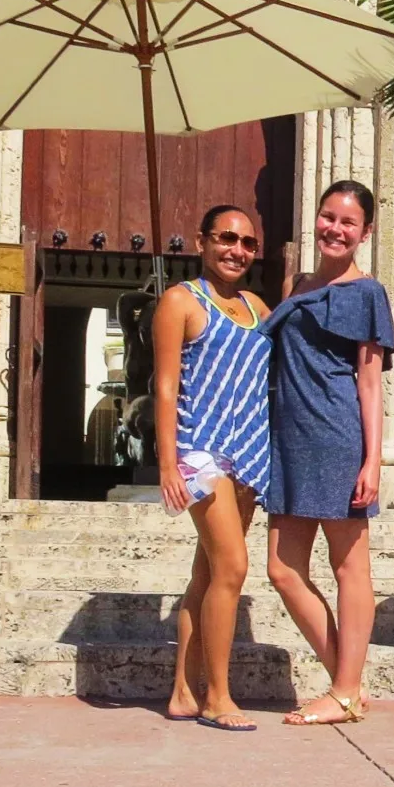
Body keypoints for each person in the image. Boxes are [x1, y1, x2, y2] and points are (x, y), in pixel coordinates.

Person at [263, 179, 394, 726]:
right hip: (289, 441)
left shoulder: (368, 293)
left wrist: (373, 459)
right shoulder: (297, 284)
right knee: (281, 568)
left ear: (365, 233)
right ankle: (348, 682)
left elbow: (369, 384)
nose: (334, 229)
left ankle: (342, 691)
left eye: (347, 222)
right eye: (327, 217)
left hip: (337, 438)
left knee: (349, 565)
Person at [153, 205, 272, 731]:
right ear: (201, 241)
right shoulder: (180, 301)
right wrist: (166, 464)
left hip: (249, 450)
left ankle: (182, 690)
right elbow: (163, 385)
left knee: (206, 574)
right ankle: (218, 695)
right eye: (226, 238)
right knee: (232, 567)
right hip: (201, 452)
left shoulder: (258, 307)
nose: (237, 250)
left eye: (247, 243)